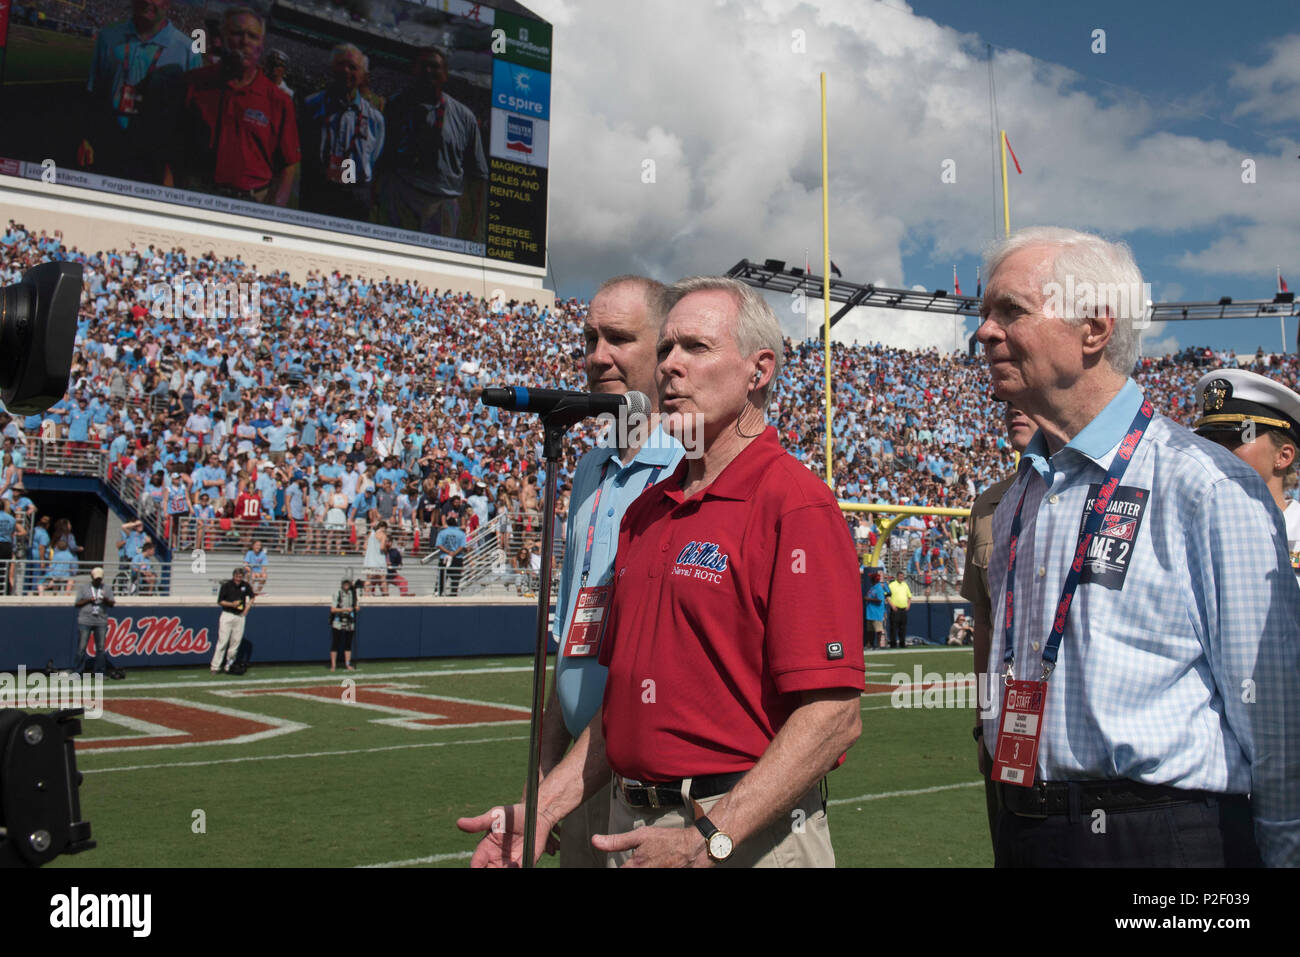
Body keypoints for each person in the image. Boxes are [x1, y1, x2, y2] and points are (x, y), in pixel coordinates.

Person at [459, 276, 865, 868]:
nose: (670, 365)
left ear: (759, 370)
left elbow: (833, 718)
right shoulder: (646, 511)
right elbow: (620, 707)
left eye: (695, 348)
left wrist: (711, 838)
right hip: (633, 826)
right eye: (667, 348)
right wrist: (545, 807)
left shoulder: (794, 504)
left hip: (741, 834)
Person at [976, 226, 1300, 867]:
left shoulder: (1203, 483)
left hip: (1158, 834)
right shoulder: (1019, 496)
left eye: (1010, 311)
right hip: (1028, 821)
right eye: (984, 313)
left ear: (1094, 329)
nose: (984, 332)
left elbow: (1272, 704)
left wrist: (1285, 852)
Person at [959, 401, 1036, 851]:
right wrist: (984, 723)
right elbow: (984, 625)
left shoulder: (1103, 494)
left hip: (1078, 719)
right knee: (1012, 846)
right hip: (1012, 715)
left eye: (1026, 401)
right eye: (1008, 405)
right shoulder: (989, 505)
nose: (1013, 411)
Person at [167, 5, 300, 205]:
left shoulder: (279, 101)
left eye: (252, 36)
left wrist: (274, 214)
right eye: (237, 33)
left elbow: (288, 166)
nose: (245, 41)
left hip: (252, 201)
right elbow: (170, 147)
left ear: (261, 44)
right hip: (197, 195)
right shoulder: (194, 84)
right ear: (223, 37)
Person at [1191, 368, 1300, 589]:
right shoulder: (1192, 532)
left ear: (1283, 455)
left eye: (1236, 438)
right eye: (1210, 440)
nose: (1217, 450)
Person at [374, 47, 488, 241]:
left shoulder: (464, 117)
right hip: (402, 192)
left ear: (445, 75)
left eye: (435, 67)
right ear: (414, 70)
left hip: (443, 201)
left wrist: (476, 225)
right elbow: (377, 158)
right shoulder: (394, 106)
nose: (428, 71)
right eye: (423, 66)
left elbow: (478, 175)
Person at [79, 0, 201, 181]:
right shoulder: (108, 37)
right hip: (108, 142)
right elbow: (94, 92)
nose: (148, 1)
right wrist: (86, 137)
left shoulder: (189, 51)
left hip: (154, 154)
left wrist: (172, 167)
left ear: (168, 3)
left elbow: (188, 117)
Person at [299, 44, 385, 221]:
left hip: (356, 194)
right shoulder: (311, 105)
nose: (346, 70)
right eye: (341, 64)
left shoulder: (374, 118)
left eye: (353, 67)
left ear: (362, 75)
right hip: (318, 190)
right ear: (332, 68)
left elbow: (374, 156)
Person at [74, 567, 124, 679]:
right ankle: (78, 672)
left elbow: (112, 603)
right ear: (92, 577)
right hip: (85, 620)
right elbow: (77, 603)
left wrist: (105, 599)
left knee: (100, 648)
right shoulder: (84, 588)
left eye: (99, 579)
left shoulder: (106, 588)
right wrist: (89, 600)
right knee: (82, 647)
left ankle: (99, 673)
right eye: (96, 579)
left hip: (100, 621)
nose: (98, 581)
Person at [212, 566, 255, 673]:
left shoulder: (245, 585)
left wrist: (247, 609)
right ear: (233, 576)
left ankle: (229, 665)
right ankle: (215, 666)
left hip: (240, 616)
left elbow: (252, 597)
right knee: (223, 641)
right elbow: (220, 601)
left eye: (240, 576)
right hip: (227, 614)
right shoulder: (227, 586)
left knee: (235, 643)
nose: (238, 579)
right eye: (237, 576)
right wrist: (232, 604)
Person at [329, 577, 357, 671]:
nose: (346, 585)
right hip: (338, 621)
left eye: (348, 583)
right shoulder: (337, 593)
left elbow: (354, 605)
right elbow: (333, 609)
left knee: (348, 644)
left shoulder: (351, 594)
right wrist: (345, 609)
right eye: (345, 583)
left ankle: (348, 664)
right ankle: (333, 665)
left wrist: (356, 608)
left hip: (349, 621)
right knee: (335, 643)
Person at [434, 514, 466, 596]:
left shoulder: (442, 532)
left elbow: (438, 545)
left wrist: (448, 552)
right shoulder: (461, 533)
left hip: (444, 557)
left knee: (442, 577)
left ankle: (439, 593)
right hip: (457, 558)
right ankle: (453, 594)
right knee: (455, 578)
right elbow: (462, 546)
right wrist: (454, 553)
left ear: (447, 523)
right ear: (456, 524)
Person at [886, 569, 911, 648]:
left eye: (902, 577)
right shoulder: (892, 585)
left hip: (903, 609)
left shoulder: (905, 585)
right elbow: (887, 596)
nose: (901, 578)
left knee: (902, 628)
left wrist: (908, 605)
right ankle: (893, 643)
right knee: (894, 627)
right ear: (897, 577)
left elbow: (909, 596)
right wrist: (892, 606)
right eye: (900, 577)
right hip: (895, 609)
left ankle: (902, 643)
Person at [864, 570, 888, 650]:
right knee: (870, 630)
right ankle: (870, 644)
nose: (870, 579)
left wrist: (868, 599)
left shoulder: (879, 588)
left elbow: (880, 600)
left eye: (871, 578)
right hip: (870, 613)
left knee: (878, 630)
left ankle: (878, 645)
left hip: (876, 613)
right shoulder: (872, 587)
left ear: (874, 579)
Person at [363, 520, 388, 595]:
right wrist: (386, 551)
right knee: (383, 580)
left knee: (368, 580)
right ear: (384, 528)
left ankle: (366, 596)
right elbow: (382, 547)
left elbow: (364, 546)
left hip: (369, 561)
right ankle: (386, 597)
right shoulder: (383, 535)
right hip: (379, 561)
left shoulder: (371, 534)